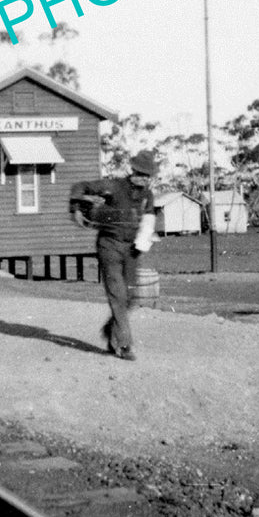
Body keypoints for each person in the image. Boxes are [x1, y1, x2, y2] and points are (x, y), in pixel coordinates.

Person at [69, 150, 159, 361]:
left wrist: (143, 241)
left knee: (131, 298)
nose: (145, 179)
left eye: (148, 176)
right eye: (141, 174)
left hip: (132, 248)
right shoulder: (114, 186)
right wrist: (75, 207)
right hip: (109, 246)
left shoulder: (148, 195)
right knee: (118, 295)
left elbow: (149, 218)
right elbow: (81, 186)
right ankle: (125, 344)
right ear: (133, 171)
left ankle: (112, 333)